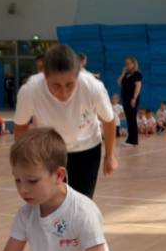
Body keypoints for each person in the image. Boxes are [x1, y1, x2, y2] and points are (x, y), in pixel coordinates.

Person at [12, 43, 117, 200]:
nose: (64, 92)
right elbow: (20, 127)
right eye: (56, 85)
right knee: (50, 201)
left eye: (69, 85)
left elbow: (109, 120)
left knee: (81, 202)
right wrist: (23, 161)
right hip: (49, 151)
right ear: (45, 76)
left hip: (87, 149)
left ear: (78, 75)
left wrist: (110, 155)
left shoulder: (93, 87)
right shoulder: (30, 91)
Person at [118, 56, 142, 146]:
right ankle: (129, 139)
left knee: (132, 119)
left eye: (128, 63)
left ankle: (134, 141)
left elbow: (138, 86)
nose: (126, 65)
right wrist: (123, 73)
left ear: (133, 63)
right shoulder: (126, 74)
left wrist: (134, 98)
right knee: (128, 119)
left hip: (132, 100)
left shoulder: (137, 74)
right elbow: (119, 82)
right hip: (126, 100)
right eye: (126, 64)